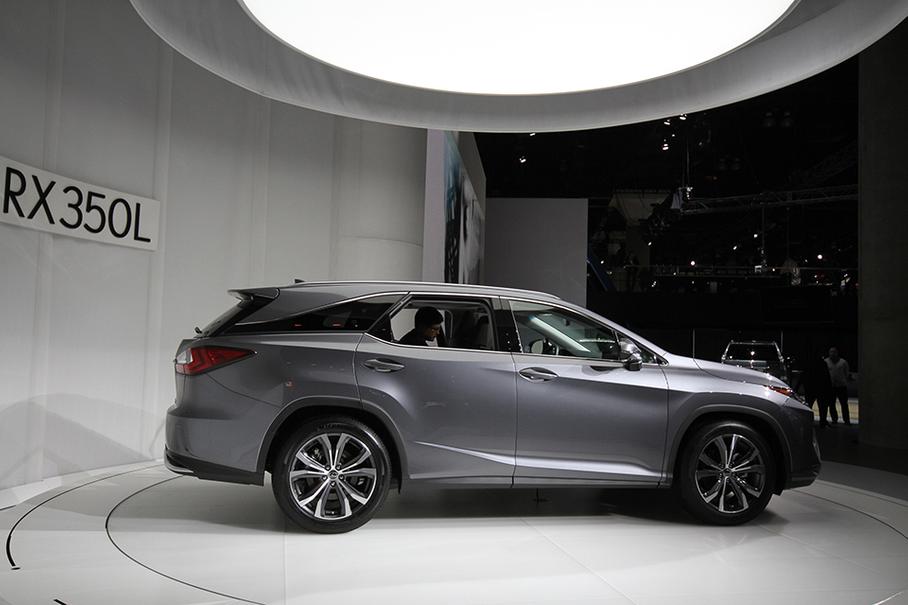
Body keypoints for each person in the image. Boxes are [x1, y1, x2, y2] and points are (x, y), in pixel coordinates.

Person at [802, 351, 833, 427]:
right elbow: (827, 377)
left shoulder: (808, 363)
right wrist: (829, 389)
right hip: (821, 388)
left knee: (808, 406)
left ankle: (807, 421)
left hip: (810, 388)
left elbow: (804, 376)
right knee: (823, 407)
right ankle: (822, 422)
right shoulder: (823, 363)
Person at [825, 347, 852, 425]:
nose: (832, 353)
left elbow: (846, 373)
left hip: (841, 386)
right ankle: (834, 419)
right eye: (831, 352)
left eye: (834, 352)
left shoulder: (843, 362)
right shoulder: (826, 362)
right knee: (831, 404)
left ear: (837, 353)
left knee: (844, 404)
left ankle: (846, 420)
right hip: (831, 387)